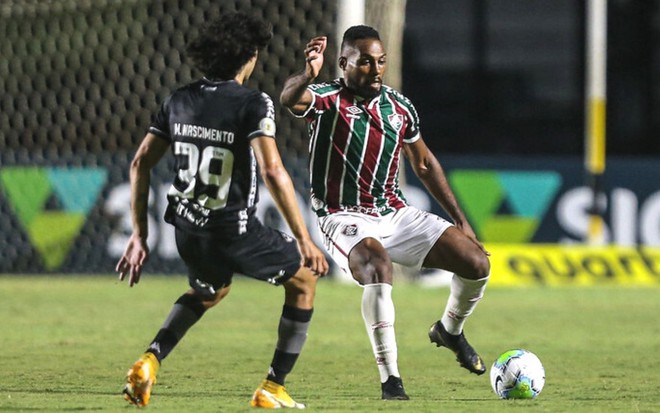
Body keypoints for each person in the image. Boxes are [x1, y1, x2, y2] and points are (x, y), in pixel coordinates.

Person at [115, 12, 328, 409]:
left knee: (210, 290)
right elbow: (272, 170)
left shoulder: (178, 99)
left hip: (187, 230)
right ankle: (273, 386)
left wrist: (139, 235)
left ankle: (149, 360)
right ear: (249, 56)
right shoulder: (252, 102)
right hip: (234, 231)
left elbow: (139, 163)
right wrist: (305, 239)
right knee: (303, 281)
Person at [280, 25, 490, 400]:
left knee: (476, 263)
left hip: (395, 213)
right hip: (341, 215)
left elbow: (423, 163)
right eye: (364, 62)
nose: (375, 69)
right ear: (343, 63)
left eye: (380, 62)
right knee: (378, 268)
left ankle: (450, 331)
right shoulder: (327, 98)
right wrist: (307, 75)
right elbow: (289, 100)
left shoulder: (399, 107)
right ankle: (391, 380)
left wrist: (460, 219)